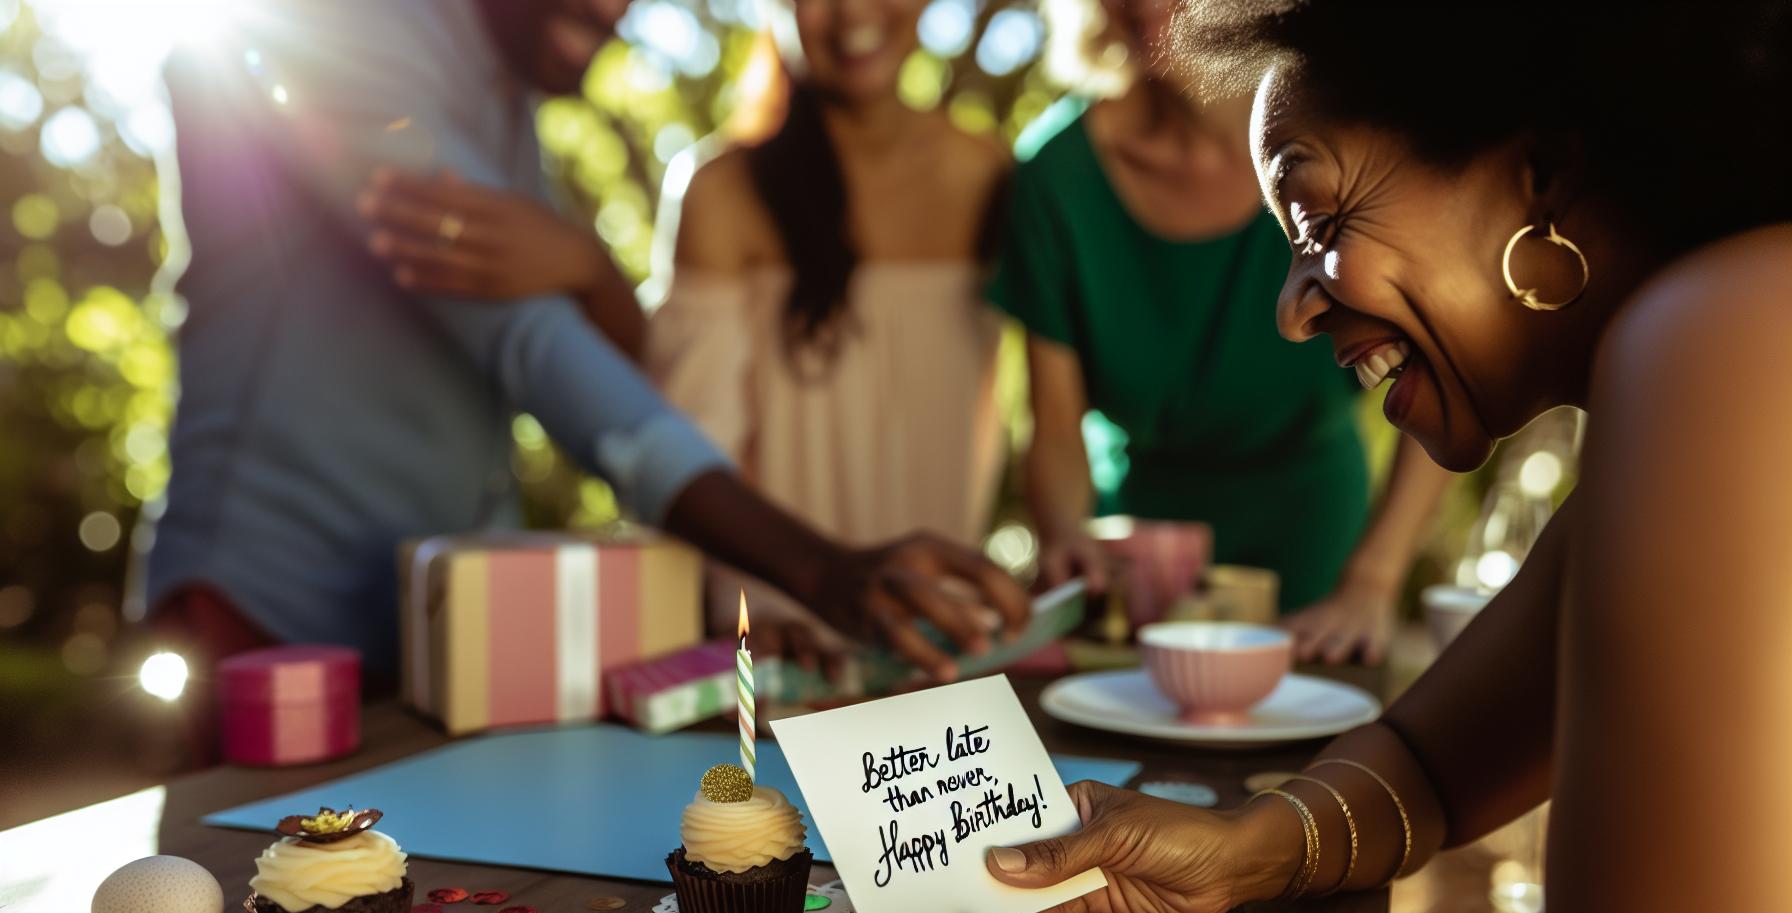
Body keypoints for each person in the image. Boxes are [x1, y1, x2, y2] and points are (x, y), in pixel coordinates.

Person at [776, 0, 1792, 913]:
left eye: (1321, 223)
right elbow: (1432, 767)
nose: (1291, 310)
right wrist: (1236, 852)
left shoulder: (1721, 338)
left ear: (1544, 175)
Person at [146, 0, 1029, 708]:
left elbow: (642, 372)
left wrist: (593, 274)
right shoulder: (339, 35)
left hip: (435, 617)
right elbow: (532, 342)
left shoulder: (504, 99)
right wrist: (819, 567)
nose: (615, 9)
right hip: (271, 603)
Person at [991, 0, 1452, 663]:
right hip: (1141, 576)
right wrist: (1066, 538)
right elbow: (1055, 428)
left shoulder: (1347, 129)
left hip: (1318, 550)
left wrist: (1372, 581)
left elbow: (1445, 369)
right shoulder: (1055, 177)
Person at [630, 2, 1009, 659]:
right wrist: (748, 613)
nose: (852, 11)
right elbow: (691, 442)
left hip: (941, 643)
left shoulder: (993, 175)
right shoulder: (721, 190)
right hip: (782, 641)